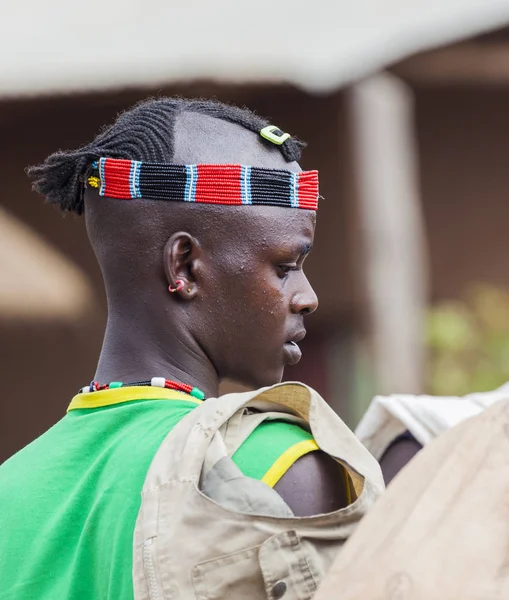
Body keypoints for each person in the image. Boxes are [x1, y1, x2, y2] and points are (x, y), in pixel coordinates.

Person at [0, 98, 383, 600]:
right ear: (184, 266)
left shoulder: (14, 485)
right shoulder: (277, 465)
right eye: (285, 267)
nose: (307, 297)